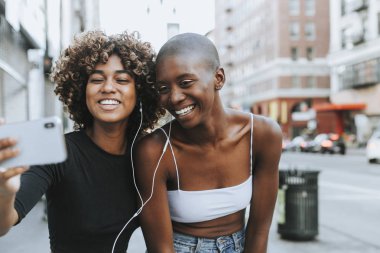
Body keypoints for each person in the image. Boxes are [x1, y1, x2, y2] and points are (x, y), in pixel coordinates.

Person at [0, 30, 164, 253]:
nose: (108, 87)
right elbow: (4, 223)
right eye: (96, 79)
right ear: (81, 90)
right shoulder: (57, 149)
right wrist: (5, 190)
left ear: (140, 92)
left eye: (122, 79)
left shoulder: (148, 153)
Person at [134, 33, 282, 253]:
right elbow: (161, 249)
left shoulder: (262, 135)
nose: (174, 98)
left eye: (185, 83)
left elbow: (259, 230)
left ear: (218, 78)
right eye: (163, 88)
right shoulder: (154, 150)